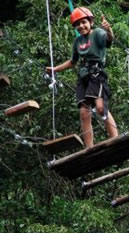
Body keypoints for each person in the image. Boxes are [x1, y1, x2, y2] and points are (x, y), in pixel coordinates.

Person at [46, 7, 118, 148]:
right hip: (83, 76)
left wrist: (109, 30)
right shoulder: (77, 41)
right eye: (77, 25)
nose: (81, 26)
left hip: (96, 74)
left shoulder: (97, 33)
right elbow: (73, 62)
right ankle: (89, 147)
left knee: (100, 108)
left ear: (91, 22)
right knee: (84, 112)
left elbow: (109, 41)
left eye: (84, 22)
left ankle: (115, 139)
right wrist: (55, 69)